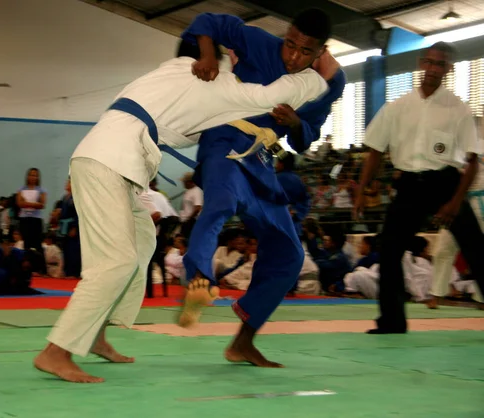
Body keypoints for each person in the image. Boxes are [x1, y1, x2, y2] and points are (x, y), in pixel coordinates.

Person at [33, 35, 340, 383]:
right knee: (115, 261)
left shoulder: (166, 72)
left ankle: (95, 333)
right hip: (109, 161)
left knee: (142, 240)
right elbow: (269, 96)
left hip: (110, 158)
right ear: (210, 60)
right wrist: (323, 76)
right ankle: (56, 351)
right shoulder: (209, 80)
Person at [178, 9, 346, 367]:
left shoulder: (325, 81)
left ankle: (243, 341)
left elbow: (305, 140)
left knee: (289, 252)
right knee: (221, 202)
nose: (294, 56)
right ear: (286, 34)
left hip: (261, 159)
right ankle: (198, 282)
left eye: (306, 52)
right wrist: (208, 54)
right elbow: (209, 21)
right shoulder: (260, 43)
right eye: (291, 45)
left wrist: (296, 121)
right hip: (224, 137)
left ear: (321, 52)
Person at [354, 41, 484, 334]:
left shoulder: (458, 109)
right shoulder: (397, 107)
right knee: (388, 250)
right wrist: (362, 189)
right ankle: (392, 321)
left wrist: (454, 202)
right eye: (429, 62)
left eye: (440, 64)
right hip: (410, 186)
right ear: (420, 63)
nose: (432, 69)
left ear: (448, 69)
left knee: (477, 249)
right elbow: (374, 150)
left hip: (446, 183)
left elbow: (472, 162)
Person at [428, 156, 484, 309]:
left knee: (479, 252)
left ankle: (481, 298)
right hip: (458, 202)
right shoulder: (459, 140)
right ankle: (437, 294)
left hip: (480, 200)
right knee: (443, 249)